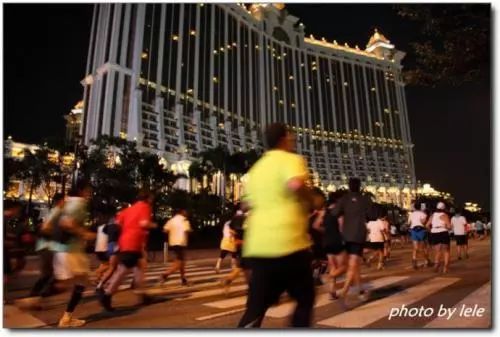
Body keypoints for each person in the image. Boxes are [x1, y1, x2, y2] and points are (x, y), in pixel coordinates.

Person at [238, 123, 314, 328]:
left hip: (259, 247)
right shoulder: (291, 159)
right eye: (290, 136)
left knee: (255, 308)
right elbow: (295, 184)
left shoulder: (257, 168)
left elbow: (246, 205)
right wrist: (313, 199)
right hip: (289, 244)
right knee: (305, 298)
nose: (292, 139)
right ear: (283, 139)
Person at [98, 190, 156, 311]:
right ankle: (107, 295)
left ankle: (142, 295)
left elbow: (118, 222)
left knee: (138, 268)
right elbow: (144, 223)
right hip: (133, 243)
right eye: (151, 198)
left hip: (125, 242)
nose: (152, 201)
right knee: (123, 270)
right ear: (147, 198)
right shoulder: (145, 207)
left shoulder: (129, 209)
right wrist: (153, 225)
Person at [52, 180, 95, 327]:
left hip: (61, 249)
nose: (89, 195)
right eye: (88, 191)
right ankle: (66, 318)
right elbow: (67, 223)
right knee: (80, 283)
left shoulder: (66, 202)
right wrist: (84, 233)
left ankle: (36, 298)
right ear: (82, 191)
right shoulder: (79, 204)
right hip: (72, 250)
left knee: (67, 283)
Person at [331, 177, 375, 301]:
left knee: (354, 264)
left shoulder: (343, 199)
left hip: (345, 235)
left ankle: (360, 290)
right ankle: (344, 290)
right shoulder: (365, 199)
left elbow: (334, 213)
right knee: (353, 264)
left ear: (349, 186)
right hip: (358, 235)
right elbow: (371, 215)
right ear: (359, 186)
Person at [29, 193, 64, 298]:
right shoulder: (56, 212)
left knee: (54, 272)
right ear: (60, 201)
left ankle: (44, 292)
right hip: (47, 246)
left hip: (49, 246)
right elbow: (45, 228)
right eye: (64, 200)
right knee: (49, 273)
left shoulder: (56, 212)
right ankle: (36, 294)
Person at [316, 192, 346, 300]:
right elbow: (342, 228)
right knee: (344, 267)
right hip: (336, 241)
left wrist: (326, 231)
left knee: (333, 267)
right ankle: (328, 277)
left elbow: (316, 225)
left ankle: (332, 292)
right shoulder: (338, 212)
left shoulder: (323, 212)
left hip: (326, 241)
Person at [158, 208, 192, 286]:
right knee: (180, 262)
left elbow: (165, 230)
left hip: (173, 243)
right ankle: (165, 275)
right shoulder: (184, 220)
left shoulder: (172, 220)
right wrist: (190, 231)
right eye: (185, 212)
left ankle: (183, 279)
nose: (186, 213)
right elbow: (187, 230)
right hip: (181, 242)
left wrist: (173, 232)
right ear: (182, 212)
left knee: (182, 261)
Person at [220, 204, 249, 294]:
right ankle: (228, 280)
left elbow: (231, 229)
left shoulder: (236, 218)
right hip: (246, 245)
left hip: (240, 245)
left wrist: (235, 239)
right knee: (246, 268)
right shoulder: (247, 218)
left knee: (243, 267)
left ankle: (228, 281)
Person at [426, 202, 452, 274]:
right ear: (444, 208)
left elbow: (427, 225)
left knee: (438, 251)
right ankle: (445, 268)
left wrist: (431, 230)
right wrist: (447, 227)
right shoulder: (444, 215)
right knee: (446, 251)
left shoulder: (432, 215)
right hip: (443, 232)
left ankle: (436, 265)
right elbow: (449, 226)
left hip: (434, 232)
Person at [408, 203, 432, 270]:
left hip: (413, 230)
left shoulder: (411, 214)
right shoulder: (423, 214)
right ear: (420, 207)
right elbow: (423, 223)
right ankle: (426, 260)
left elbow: (409, 223)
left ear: (414, 207)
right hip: (421, 230)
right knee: (423, 247)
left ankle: (414, 260)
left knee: (415, 247)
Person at [365, 206, 389, 270]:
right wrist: (387, 236)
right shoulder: (379, 222)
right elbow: (383, 230)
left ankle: (373, 260)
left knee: (376, 251)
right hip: (380, 238)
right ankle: (378, 264)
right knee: (381, 252)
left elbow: (367, 230)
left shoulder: (369, 223)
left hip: (372, 239)